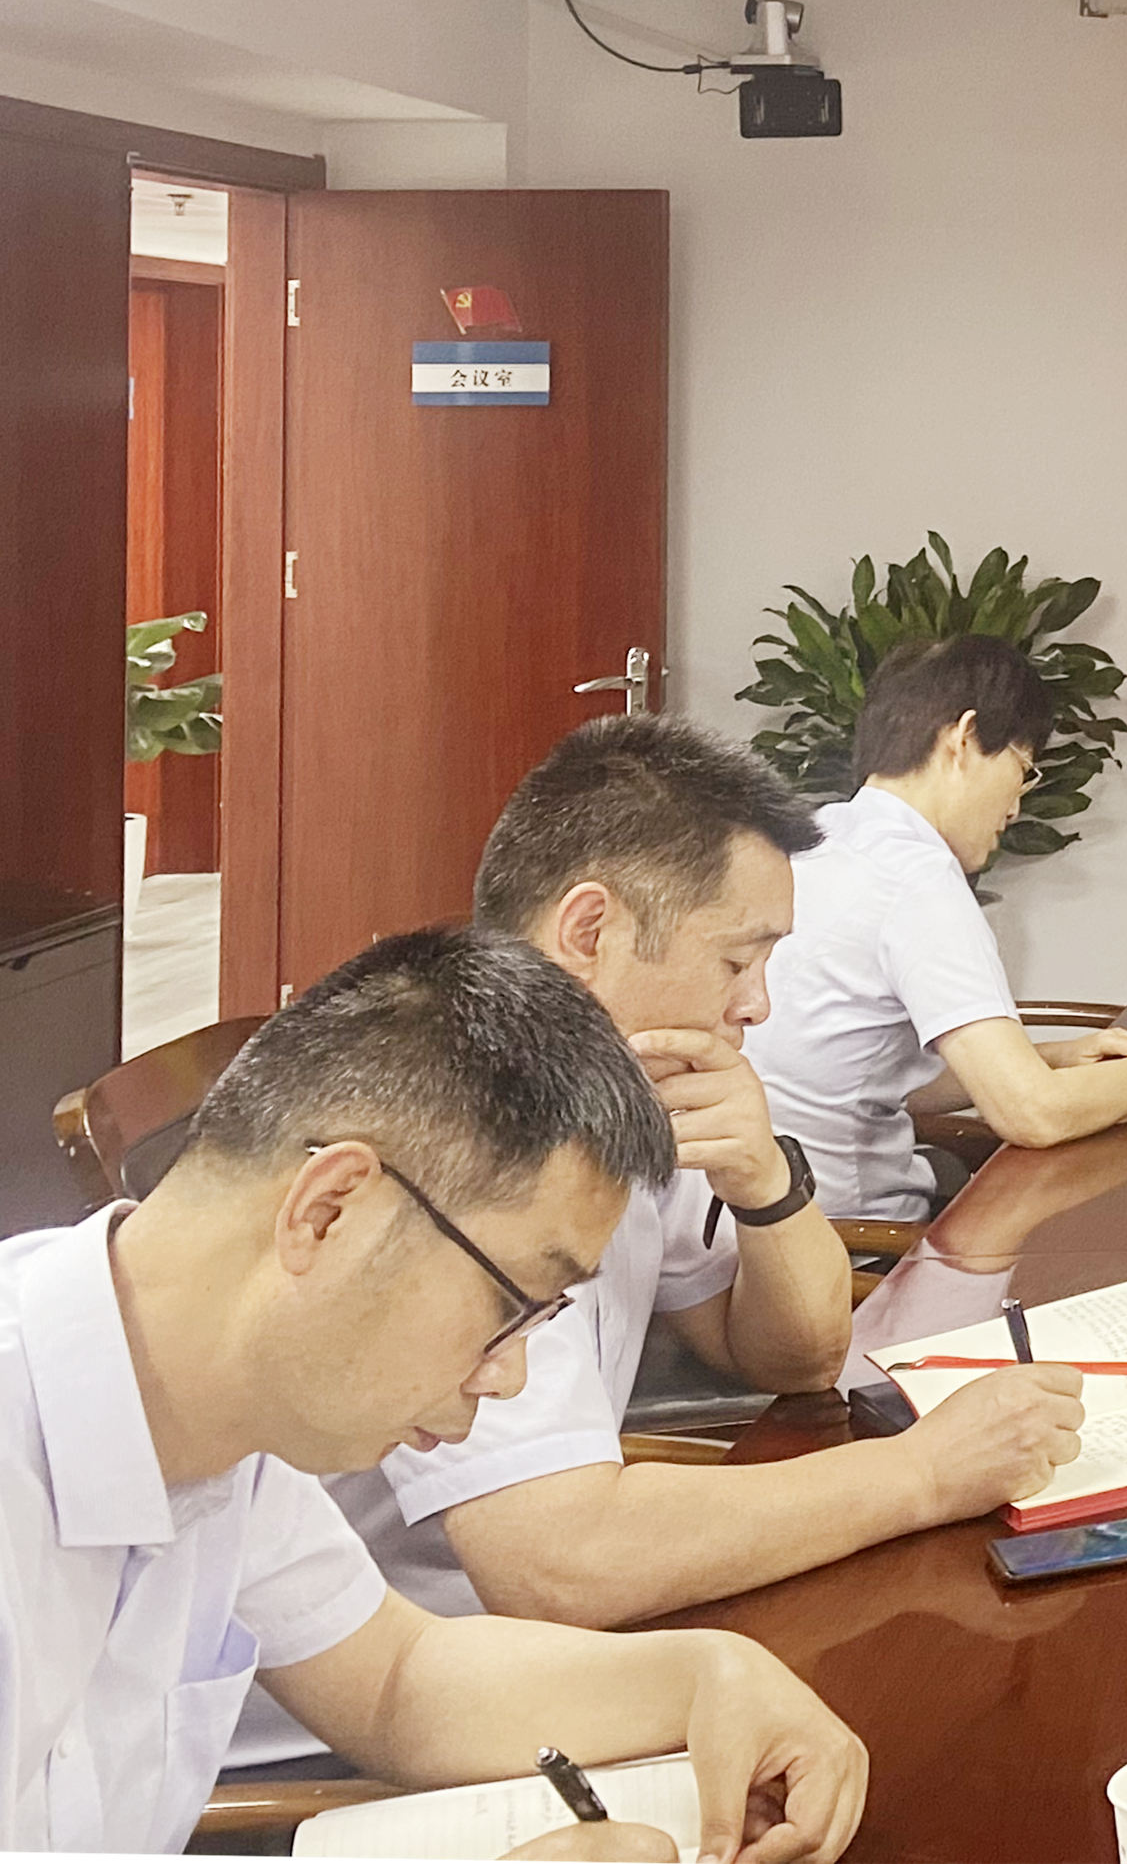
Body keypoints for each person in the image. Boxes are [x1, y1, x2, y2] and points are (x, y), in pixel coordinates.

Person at [230, 721, 1083, 1743]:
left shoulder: (629, 1091)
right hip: (428, 1707)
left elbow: (795, 1356)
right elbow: (559, 1563)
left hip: (514, 1668)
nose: (758, 1005)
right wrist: (926, 1474)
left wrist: (765, 1179)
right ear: (589, 931)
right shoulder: (472, 1125)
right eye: (737, 960)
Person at [0, 927, 867, 1861]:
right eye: (511, 1305)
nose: (510, 1375)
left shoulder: (219, 1408)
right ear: (329, 1209)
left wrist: (708, 1675)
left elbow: (395, 1677)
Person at [748, 636, 1127, 1221]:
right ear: (965, 738)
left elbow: (862, 1079)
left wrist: (1052, 1057)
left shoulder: (819, 838)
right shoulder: (916, 877)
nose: (1015, 807)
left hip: (762, 1218)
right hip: (849, 1239)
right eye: (1022, 769)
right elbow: (1032, 1115)